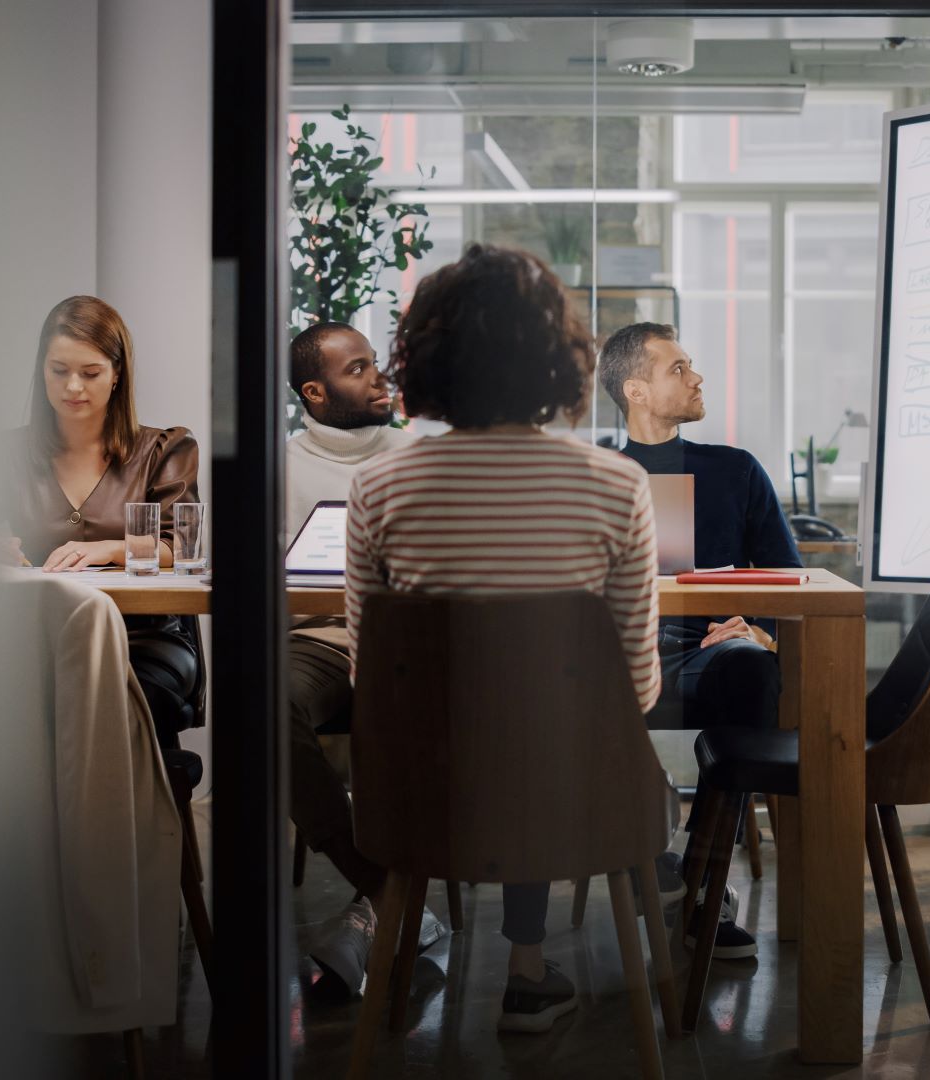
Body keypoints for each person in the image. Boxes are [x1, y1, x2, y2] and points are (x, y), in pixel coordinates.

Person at [344, 244, 661, 1033]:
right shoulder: (617, 484)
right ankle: (529, 971)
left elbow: (369, 676)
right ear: (559, 357)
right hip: (579, 800)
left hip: (426, 800)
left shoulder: (378, 487)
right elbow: (638, 690)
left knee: (490, 724)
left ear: (423, 358)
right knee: (543, 724)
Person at [597, 322, 801, 961]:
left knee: (749, 669)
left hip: (709, 652)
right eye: (678, 368)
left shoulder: (733, 469)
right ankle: (651, 856)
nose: (697, 377)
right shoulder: (596, 474)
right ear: (636, 389)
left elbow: (788, 578)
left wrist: (757, 627)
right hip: (615, 657)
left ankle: (705, 881)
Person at [281, 320, 444, 993]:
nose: (378, 378)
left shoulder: (416, 457)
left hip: (400, 642)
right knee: (262, 700)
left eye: (376, 364)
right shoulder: (278, 465)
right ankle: (381, 887)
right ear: (314, 392)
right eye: (358, 370)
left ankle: (384, 904)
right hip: (315, 641)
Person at [6, 295, 203, 747]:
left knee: (106, 697)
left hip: (142, 637)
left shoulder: (164, 450)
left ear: (117, 374)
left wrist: (111, 549)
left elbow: (183, 548)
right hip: (36, 636)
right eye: (59, 371)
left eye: (90, 373)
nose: (73, 386)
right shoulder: (8, 456)